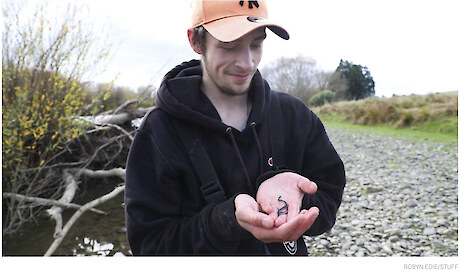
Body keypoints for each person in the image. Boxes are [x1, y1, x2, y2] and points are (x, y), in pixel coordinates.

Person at [125, 0, 346, 255]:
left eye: (256, 44)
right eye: (230, 46)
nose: (247, 62)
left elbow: (329, 196)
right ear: (196, 42)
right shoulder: (158, 132)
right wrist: (225, 221)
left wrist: (296, 203)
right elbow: (150, 246)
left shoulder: (295, 116)